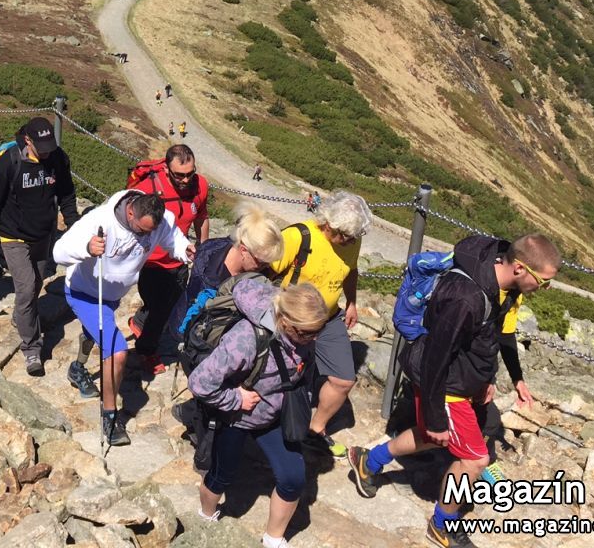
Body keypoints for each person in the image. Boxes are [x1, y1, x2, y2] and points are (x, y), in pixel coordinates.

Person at [349, 234, 560, 548]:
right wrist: (436, 415)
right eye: (543, 282)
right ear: (519, 268)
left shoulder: (500, 282)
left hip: (462, 381)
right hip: (447, 385)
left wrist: (486, 379)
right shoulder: (467, 297)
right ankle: (441, 525)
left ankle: (369, 460)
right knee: (474, 459)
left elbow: (486, 339)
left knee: (433, 435)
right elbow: (437, 357)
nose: (546, 289)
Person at [189, 280, 329, 548]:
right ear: (286, 323)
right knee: (222, 475)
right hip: (236, 417)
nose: (314, 339)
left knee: (293, 478)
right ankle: (205, 517)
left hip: (274, 416)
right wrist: (234, 399)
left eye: (317, 331)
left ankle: (273, 539)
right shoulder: (245, 338)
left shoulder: (305, 335)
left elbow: (304, 374)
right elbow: (199, 382)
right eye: (308, 334)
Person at [53, 190, 193, 446]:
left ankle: (77, 369)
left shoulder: (157, 221)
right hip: (85, 292)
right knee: (117, 351)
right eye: (142, 230)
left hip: (112, 294)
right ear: (130, 212)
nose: (146, 236)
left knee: (95, 332)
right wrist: (86, 248)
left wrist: (186, 250)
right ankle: (110, 417)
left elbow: (173, 238)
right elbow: (58, 252)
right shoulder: (99, 221)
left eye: (150, 231)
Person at [262, 191, 372, 458]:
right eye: (343, 235)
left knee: (344, 380)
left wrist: (353, 302)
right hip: (291, 318)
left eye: (353, 237)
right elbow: (264, 273)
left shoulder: (350, 241)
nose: (347, 242)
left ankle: (315, 429)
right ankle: (267, 426)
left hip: (329, 316)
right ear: (327, 223)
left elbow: (351, 270)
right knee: (278, 376)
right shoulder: (298, 237)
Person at [0, 117, 80, 377]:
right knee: (25, 288)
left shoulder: (57, 158)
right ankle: (31, 348)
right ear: (27, 140)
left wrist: (73, 224)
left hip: (44, 234)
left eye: (50, 145)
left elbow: (67, 193)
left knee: (36, 284)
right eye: (42, 146)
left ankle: (21, 317)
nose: (47, 151)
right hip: (14, 236)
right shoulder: (10, 162)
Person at [126, 145, 211, 376]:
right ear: (166, 169)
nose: (185, 180)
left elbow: (201, 215)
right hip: (150, 261)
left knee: (169, 307)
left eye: (190, 173)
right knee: (162, 309)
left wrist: (203, 248)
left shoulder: (200, 185)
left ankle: (140, 322)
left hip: (180, 258)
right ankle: (146, 351)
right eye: (179, 175)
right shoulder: (147, 189)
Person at [185, 207, 284, 308]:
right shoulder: (209, 274)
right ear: (243, 250)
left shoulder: (235, 241)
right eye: (261, 262)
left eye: (268, 263)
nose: (265, 267)